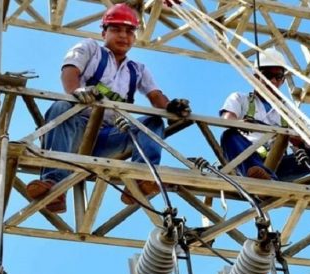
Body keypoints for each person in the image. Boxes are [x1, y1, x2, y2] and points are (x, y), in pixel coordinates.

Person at [26, 3, 191, 213]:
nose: (123, 35)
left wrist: (171, 107)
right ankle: (54, 186)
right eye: (116, 29)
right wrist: (75, 92)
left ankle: (141, 180)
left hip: (108, 137)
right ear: (104, 32)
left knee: (153, 122)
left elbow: (155, 95)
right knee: (61, 107)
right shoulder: (90, 49)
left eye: (130, 31)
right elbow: (70, 70)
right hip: (74, 131)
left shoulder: (137, 70)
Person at [219, 48, 310, 190]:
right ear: (256, 77)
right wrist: (239, 124)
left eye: (278, 76)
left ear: (283, 80)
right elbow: (227, 121)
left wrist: (300, 140)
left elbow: (305, 142)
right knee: (229, 135)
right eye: (267, 75)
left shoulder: (288, 111)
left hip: (277, 165)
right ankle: (255, 173)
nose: (273, 80)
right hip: (246, 159)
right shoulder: (240, 99)